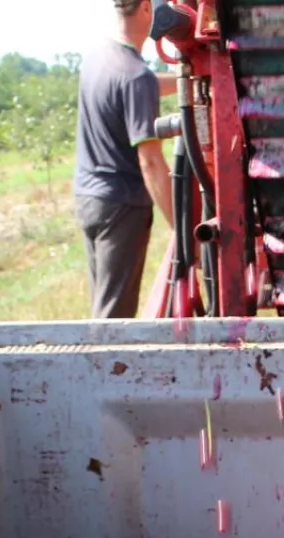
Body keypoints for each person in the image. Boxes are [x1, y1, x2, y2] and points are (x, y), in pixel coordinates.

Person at [74, 0, 177, 320]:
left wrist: (188, 81)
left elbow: (134, 87)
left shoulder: (97, 57)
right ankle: (105, 370)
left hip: (90, 198)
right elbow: (150, 163)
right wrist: (180, 227)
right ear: (146, 8)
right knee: (114, 317)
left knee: (102, 303)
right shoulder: (136, 77)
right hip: (122, 207)